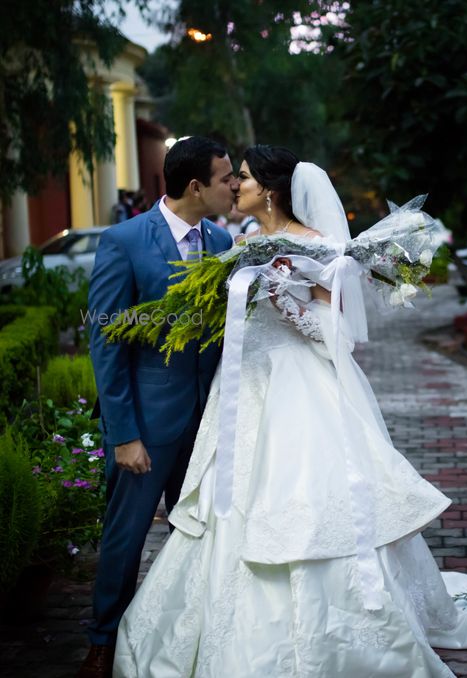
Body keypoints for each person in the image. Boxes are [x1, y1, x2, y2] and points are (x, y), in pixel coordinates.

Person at [113, 145, 467, 677]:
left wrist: (286, 298)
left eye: (248, 179)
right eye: (236, 180)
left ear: (272, 191)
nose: (238, 186)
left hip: (299, 389)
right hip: (243, 390)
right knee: (230, 499)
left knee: (309, 500)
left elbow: (335, 335)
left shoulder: (323, 247)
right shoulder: (241, 243)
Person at [79, 137, 237, 678]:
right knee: (126, 536)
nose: (234, 186)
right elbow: (106, 341)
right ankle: (102, 642)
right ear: (195, 186)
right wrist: (124, 434)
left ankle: (176, 639)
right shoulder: (124, 241)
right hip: (146, 424)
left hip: (208, 420)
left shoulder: (221, 241)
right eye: (225, 178)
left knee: (192, 536)